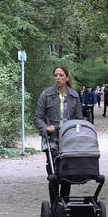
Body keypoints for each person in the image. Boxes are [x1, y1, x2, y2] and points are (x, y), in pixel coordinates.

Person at [33, 66, 81, 206]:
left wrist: (75, 130)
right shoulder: (46, 94)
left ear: (67, 78)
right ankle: (54, 205)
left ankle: (64, 204)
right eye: (55, 75)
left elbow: (79, 118)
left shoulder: (74, 95)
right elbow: (37, 118)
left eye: (61, 75)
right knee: (53, 174)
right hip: (51, 139)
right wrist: (45, 128)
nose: (58, 78)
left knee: (68, 173)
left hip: (68, 138)